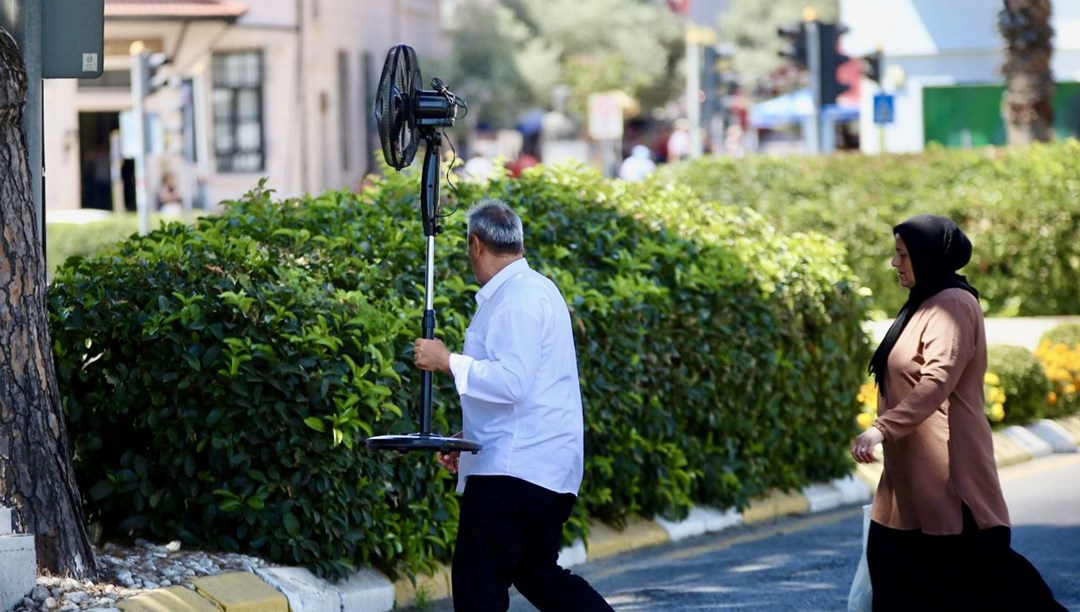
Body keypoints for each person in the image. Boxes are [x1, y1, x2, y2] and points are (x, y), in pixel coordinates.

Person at [852, 214, 1065, 612]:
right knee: (897, 578)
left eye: (902, 254)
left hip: (948, 475)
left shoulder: (952, 304)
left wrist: (882, 429)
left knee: (990, 582)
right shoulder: (923, 304)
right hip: (908, 475)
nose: (895, 263)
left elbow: (937, 380)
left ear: (928, 256)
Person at [413, 200, 613, 611]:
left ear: (476, 245)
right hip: (541, 469)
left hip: (515, 473)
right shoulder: (536, 289)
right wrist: (468, 439)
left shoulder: (517, 299)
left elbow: (513, 382)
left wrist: (447, 361)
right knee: (539, 575)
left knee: (477, 588)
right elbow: (529, 388)